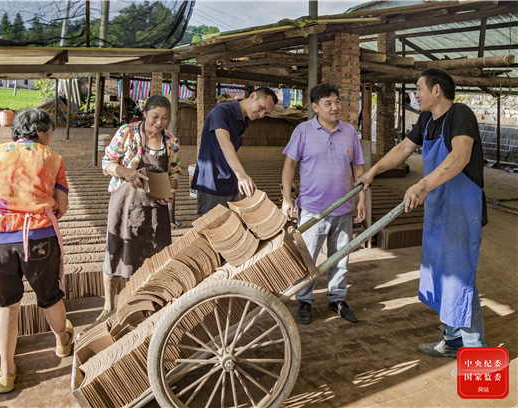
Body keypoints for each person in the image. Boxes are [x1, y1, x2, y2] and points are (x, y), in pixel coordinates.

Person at [358, 67, 488, 359]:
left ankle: (476, 354)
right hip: (439, 210)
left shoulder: (460, 115)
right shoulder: (427, 119)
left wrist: (423, 184)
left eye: (419, 89)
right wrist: (373, 171)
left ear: (436, 90)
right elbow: (404, 148)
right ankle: (453, 341)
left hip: (462, 212)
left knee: (459, 280)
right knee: (441, 275)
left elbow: (460, 156)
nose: (415, 95)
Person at [0, 108, 72, 394]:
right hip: (39, 236)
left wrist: (0, 213)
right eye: (49, 133)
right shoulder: (53, 158)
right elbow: (62, 206)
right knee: (50, 297)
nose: (49, 138)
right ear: (39, 131)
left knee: (7, 306)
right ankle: (63, 342)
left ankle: (6, 372)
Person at [282, 83, 366, 324]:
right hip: (312, 209)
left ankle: (336, 299)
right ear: (315, 107)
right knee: (308, 257)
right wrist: (287, 198)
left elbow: (358, 167)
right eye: (328, 103)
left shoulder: (350, 131)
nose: (335, 107)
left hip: (344, 207)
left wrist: (362, 198)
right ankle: (304, 300)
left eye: (337, 102)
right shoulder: (303, 130)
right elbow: (289, 165)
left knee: (341, 257)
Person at [100, 95, 181, 317]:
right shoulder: (127, 132)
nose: (160, 122)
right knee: (116, 252)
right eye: (155, 116)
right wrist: (125, 172)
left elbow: (175, 171)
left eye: (165, 117)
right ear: (144, 114)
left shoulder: (171, 141)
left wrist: (169, 188)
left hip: (156, 208)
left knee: (154, 255)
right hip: (125, 205)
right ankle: (108, 306)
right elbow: (106, 163)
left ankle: (144, 305)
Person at [191, 87, 278, 217]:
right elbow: (225, 143)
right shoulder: (221, 111)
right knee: (209, 225)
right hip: (211, 181)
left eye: (266, 113)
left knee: (231, 223)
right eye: (261, 108)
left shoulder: (244, 121)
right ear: (252, 96)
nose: (261, 114)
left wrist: (238, 179)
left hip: (230, 182)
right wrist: (241, 174)